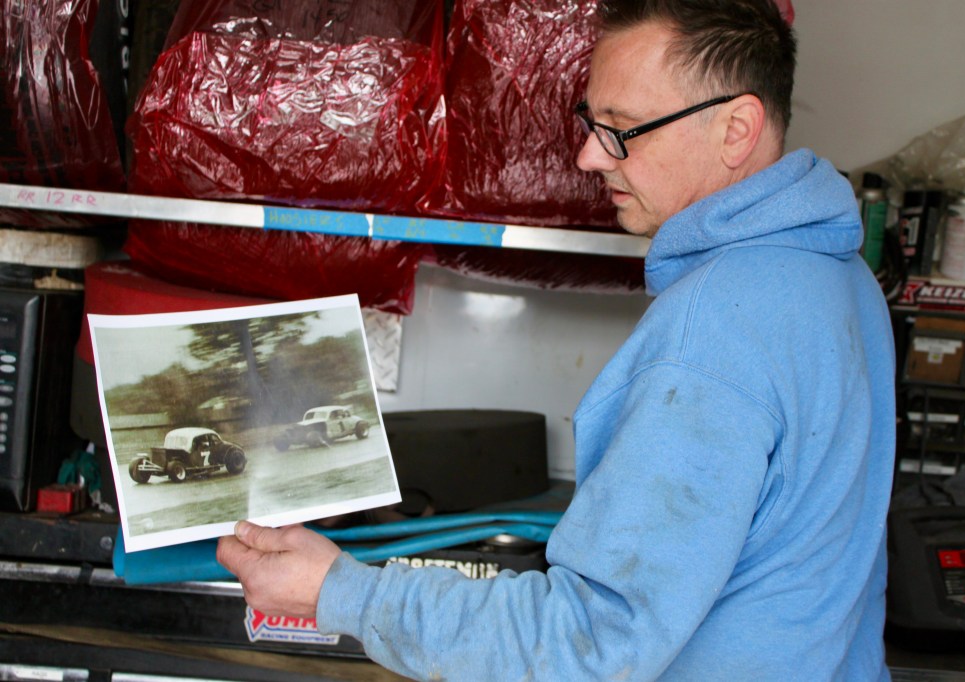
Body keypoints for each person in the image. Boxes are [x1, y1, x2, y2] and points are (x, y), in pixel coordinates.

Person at [217, 0, 896, 679]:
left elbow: (590, 643)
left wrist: (341, 592)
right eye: (590, 122)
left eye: (623, 130)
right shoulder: (840, 278)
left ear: (735, 130)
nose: (588, 155)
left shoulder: (715, 327)